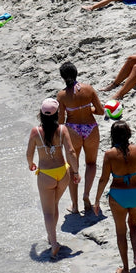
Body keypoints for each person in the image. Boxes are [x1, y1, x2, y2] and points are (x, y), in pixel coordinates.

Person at [94, 121, 136, 273]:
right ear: (129, 133)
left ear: (113, 136)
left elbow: (103, 179)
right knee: (134, 225)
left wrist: (96, 201)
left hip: (118, 195)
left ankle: (126, 269)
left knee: (121, 232)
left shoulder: (109, 155)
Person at [28, 99, 74, 259]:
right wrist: (75, 172)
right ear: (57, 114)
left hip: (46, 174)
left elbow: (29, 153)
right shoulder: (62, 129)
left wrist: (30, 163)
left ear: (41, 113)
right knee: (54, 205)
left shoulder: (35, 132)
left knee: (48, 211)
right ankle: (51, 237)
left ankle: (53, 243)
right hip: (63, 173)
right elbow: (71, 152)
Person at [56, 63, 105, 216]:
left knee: (72, 168)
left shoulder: (62, 95)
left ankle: (75, 205)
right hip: (90, 128)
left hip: (73, 130)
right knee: (91, 163)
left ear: (63, 77)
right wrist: (86, 108)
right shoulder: (89, 89)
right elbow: (100, 111)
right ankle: (86, 195)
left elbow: (61, 119)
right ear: (77, 73)